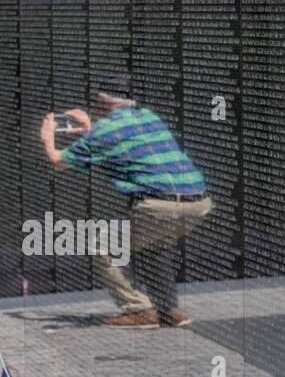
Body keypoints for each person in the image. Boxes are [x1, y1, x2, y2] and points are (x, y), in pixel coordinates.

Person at [39, 76, 211, 327]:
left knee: (102, 245)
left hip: (158, 206)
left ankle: (139, 309)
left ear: (102, 103)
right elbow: (124, 141)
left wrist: (47, 137)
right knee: (154, 247)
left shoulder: (103, 131)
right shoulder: (150, 117)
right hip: (199, 204)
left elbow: (58, 160)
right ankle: (169, 310)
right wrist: (91, 129)